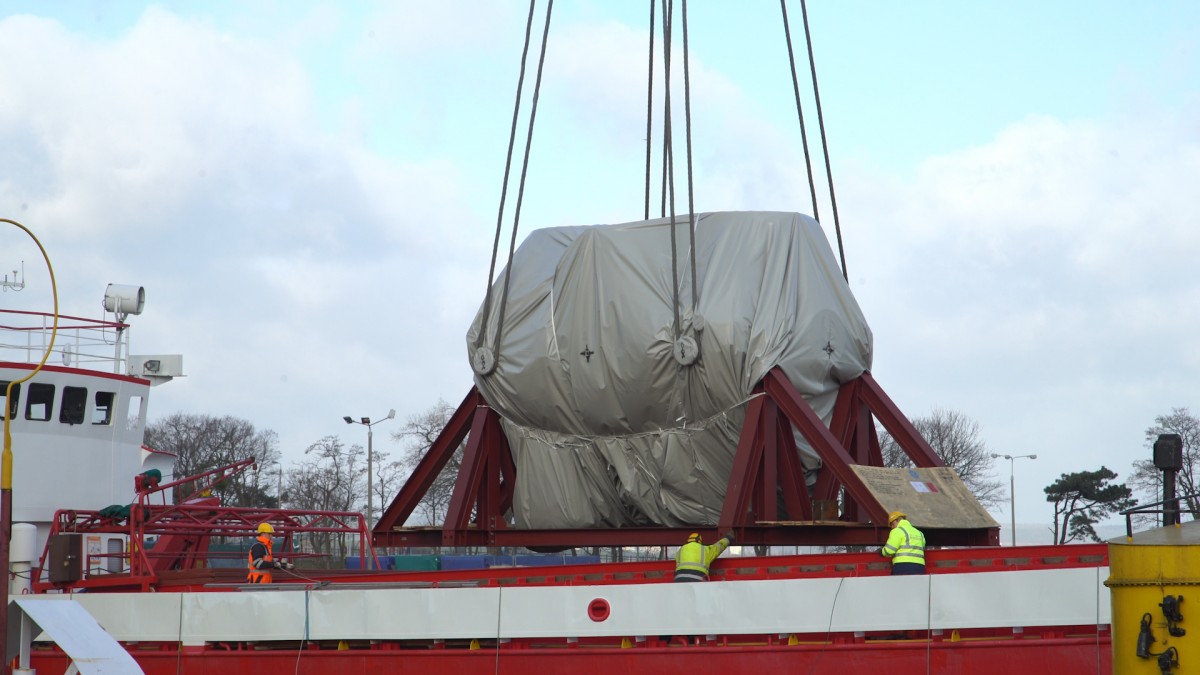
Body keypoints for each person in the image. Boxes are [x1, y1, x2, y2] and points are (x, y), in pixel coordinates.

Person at [881, 510, 926, 575]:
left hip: (902, 566)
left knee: (899, 585)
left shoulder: (897, 531)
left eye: (892, 524)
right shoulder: (919, 533)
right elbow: (922, 547)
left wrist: (882, 552)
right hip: (920, 567)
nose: (892, 527)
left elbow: (889, 550)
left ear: (896, 520)